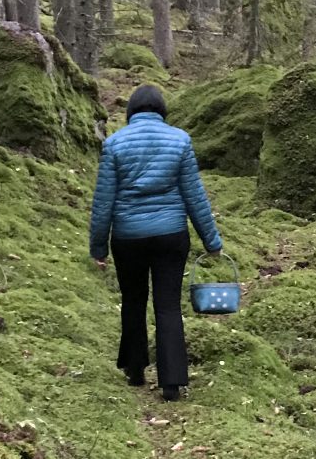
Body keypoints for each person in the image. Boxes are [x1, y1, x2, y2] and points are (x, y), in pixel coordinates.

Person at [89, 84, 224, 402]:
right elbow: (195, 196)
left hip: (127, 238)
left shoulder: (113, 144)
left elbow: (103, 201)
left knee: (133, 301)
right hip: (171, 236)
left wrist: (98, 247)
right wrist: (212, 241)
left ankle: (135, 370)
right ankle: (172, 381)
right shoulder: (180, 140)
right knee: (167, 306)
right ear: (162, 111)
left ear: (131, 112)